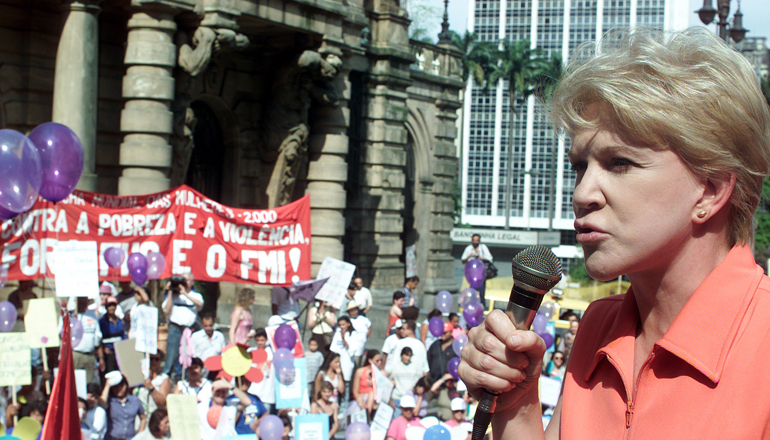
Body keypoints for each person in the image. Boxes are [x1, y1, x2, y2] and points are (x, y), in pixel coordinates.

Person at [458, 27, 770, 439]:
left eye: (620, 163)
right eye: (579, 167)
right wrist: (517, 404)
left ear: (710, 190)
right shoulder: (597, 326)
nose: (582, 193)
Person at [162, 272, 204, 379]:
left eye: (186, 280)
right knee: (171, 355)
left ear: (192, 282)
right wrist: (170, 291)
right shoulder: (174, 296)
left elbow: (200, 304)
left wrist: (185, 293)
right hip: (175, 328)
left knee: (186, 356)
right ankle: (166, 377)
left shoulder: (196, 295)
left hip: (189, 330)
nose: (184, 283)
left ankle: (183, 378)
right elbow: (167, 309)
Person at [72, 297, 103, 384]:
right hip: (76, 354)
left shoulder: (92, 315)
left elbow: (98, 336)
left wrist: (100, 357)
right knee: (76, 382)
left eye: (84, 299)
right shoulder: (71, 315)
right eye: (80, 299)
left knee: (89, 383)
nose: (82, 301)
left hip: (90, 355)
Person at [386, 347, 424, 413]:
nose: (408, 358)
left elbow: (420, 382)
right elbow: (387, 381)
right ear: (401, 355)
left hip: (410, 400)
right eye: (406, 355)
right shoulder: (395, 367)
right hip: (397, 398)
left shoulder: (416, 367)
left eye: (410, 356)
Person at [247, 328, 276, 413]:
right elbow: (238, 350)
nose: (260, 342)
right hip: (253, 392)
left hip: (267, 395)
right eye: (257, 340)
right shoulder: (251, 351)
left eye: (262, 340)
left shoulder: (272, 351)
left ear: (266, 339)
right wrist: (247, 338)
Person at [348, 349, 382, 418]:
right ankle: (366, 413)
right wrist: (361, 403)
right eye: (377, 361)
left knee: (372, 393)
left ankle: (367, 414)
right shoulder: (360, 371)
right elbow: (355, 391)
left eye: (380, 360)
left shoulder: (381, 373)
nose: (379, 363)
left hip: (374, 399)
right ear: (370, 360)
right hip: (361, 398)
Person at [460, 234, 493, 306]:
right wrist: (469, 256)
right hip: (472, 274)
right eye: (474, 240)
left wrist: (480, 259)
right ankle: (471, 306)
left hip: (481, 274)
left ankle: (482, 307)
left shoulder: (483, 248)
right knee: (472, 292)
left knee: (481, 292)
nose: (475, 242)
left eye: (477, 240)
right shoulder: (469, 248)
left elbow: (490, 259)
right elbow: (463, 260)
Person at [98, 296, 126, 376]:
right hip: (108, 353)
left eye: (114, 305)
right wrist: (104, 348)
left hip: (119, 353)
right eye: (109, 305)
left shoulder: (119, 321)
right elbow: (99, 338)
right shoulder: (102, 322)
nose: (112, 308)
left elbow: (123, 336)